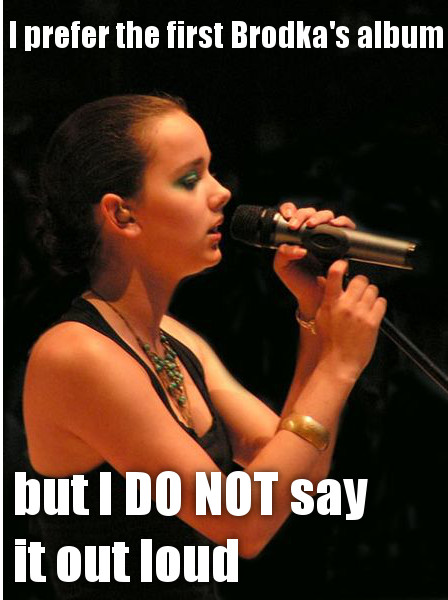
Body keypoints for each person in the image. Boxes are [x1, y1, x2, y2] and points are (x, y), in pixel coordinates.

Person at [23, 94, 387, 599]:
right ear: (122, 214)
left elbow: (301, 471)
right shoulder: (75, 355)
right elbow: (243, 525)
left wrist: (313, 316)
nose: (222, 192)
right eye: (191, 178)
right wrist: (339, 366)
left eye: (211, 171)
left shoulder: (173, 337)